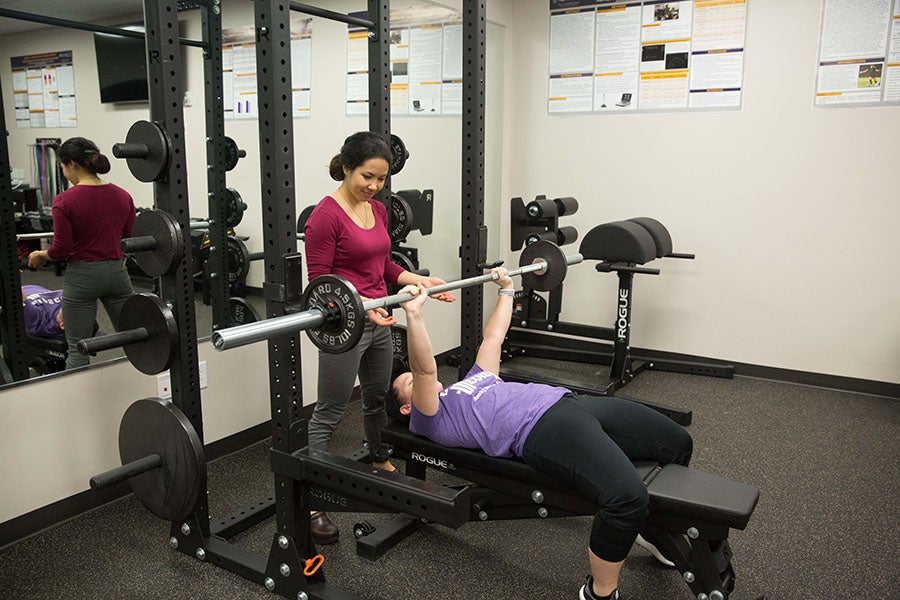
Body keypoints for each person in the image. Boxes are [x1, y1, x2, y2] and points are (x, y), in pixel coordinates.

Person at [387, 270, 694, 600]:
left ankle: (653, 529)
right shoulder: (430, 418)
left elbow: (493, 339)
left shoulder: (470, 381)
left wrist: (507, 290)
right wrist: (415, 315)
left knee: (677, 442)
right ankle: (600, 593)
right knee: (627, 498)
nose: (414, 381)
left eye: (409, 379)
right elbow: (423, 369)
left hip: (570, 403)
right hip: (542, 429)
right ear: (408, 408)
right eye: (407, 385)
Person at [302, 131, 455, 544]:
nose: (373, 186)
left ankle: (379, 455)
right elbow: (321, 285)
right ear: (347, 166)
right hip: (344, 325)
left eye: (381, 179)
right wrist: (367, 306)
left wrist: (418, 280)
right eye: (367, 177)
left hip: (380, 318)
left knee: (374, 398)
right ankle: (311, 500)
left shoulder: (377, 211)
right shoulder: (325, 217)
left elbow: (383, 263)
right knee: (331, 411)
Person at [28, 137, 135, 370]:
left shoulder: (64, 201)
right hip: (118, 273)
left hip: (83, 277)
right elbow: (127, 239)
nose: (64, 173)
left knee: (78, 349)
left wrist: (42, 255)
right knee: (135, 339)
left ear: (73, 164)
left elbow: (61, 250)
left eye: (63, 167)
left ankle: (75, 405)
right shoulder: (123, 195)